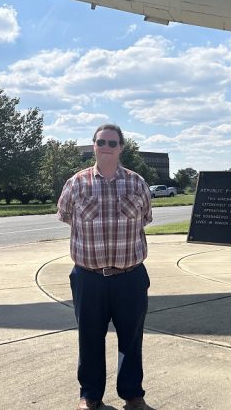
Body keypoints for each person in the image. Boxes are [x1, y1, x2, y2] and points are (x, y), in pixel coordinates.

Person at [57, 124, 153, 410]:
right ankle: (90, 395)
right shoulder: (76, 183)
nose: (107, 147)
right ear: (93, 146)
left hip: (130, 276)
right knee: (89, 338)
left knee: (132, 338)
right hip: (89, 277)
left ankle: (133, 394)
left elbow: (145, 218)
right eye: (102, 142)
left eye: (113, 142)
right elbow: (65, 216)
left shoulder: (137, 183)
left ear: (121, 147)